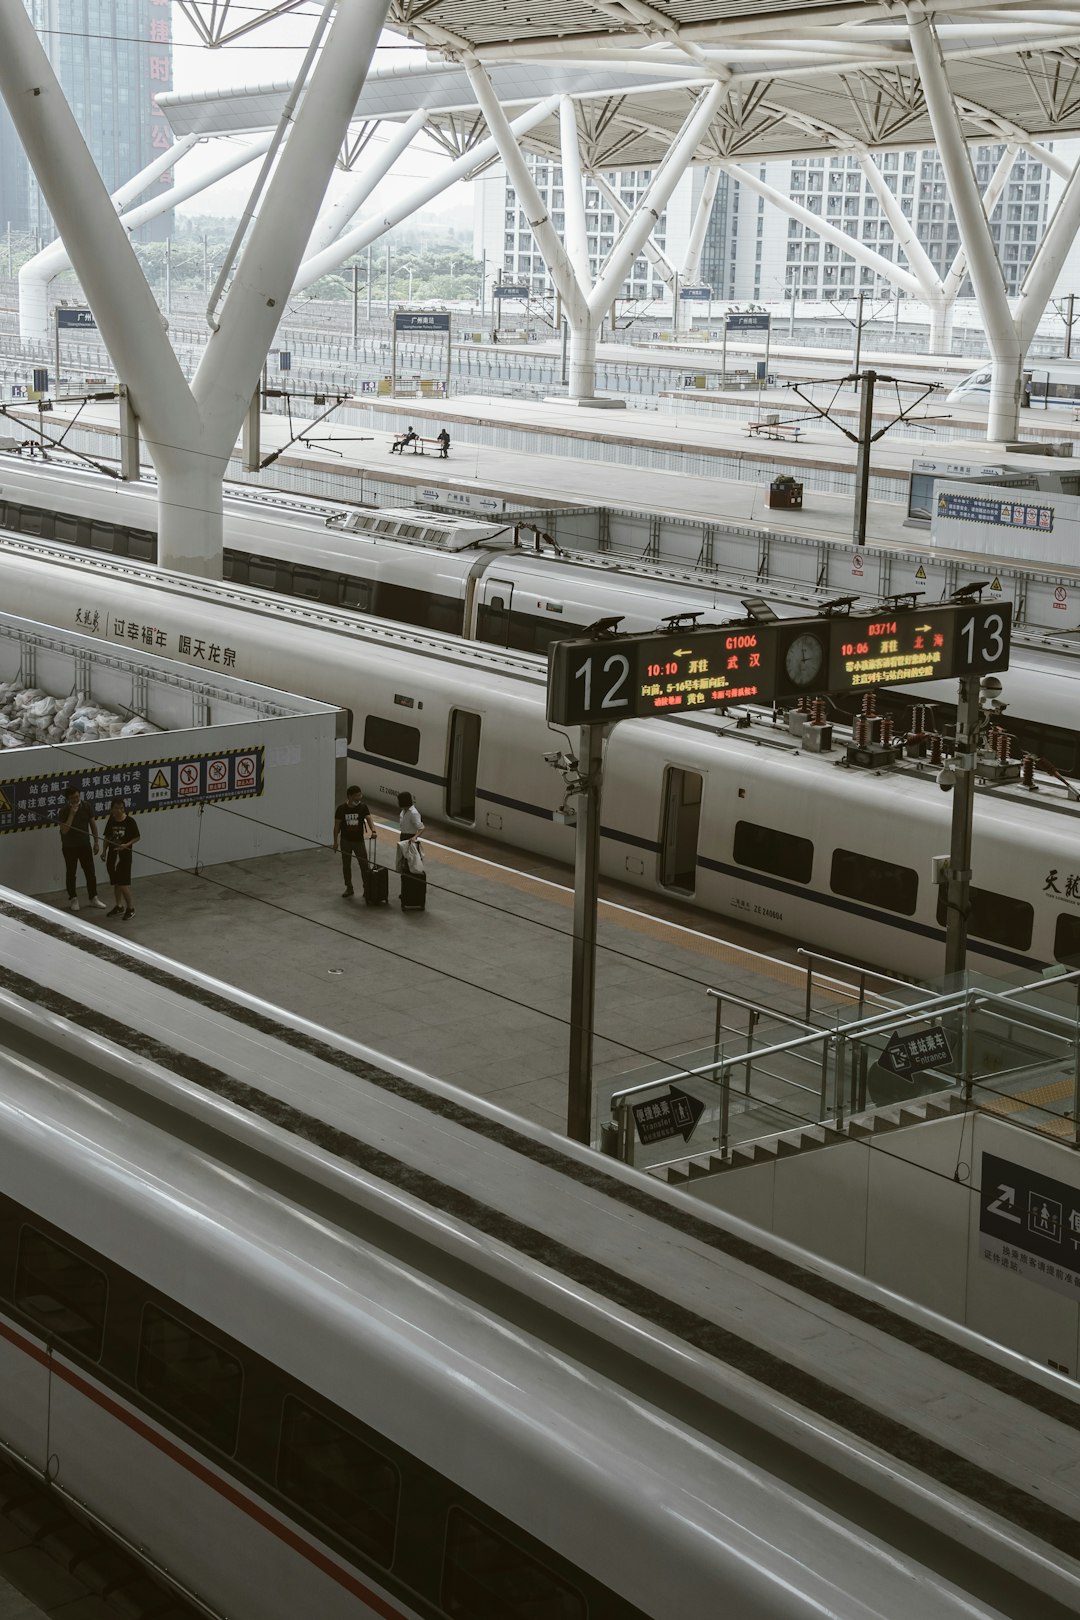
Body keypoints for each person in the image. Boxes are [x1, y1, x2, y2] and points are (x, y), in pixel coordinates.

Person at [58, 785, 105, 912]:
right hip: (69, 847)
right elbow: (65, 830)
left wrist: (96, 842)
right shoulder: (63, 811)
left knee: (90, 872)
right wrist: (72, 814)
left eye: (77, 796)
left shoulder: (87, 806)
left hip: (84, 845)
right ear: (67, 799)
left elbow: (93, 824)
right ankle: (73, 898)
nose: (76, 799)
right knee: (71, 873)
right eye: (72, 798)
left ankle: (93, 897)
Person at [333, 784, 376, 898]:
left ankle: (367, 888)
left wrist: (373, 830)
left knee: (364, 865)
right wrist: (335, 842)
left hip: (359, 842)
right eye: (356, 795)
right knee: (346, 865)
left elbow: (369, 818)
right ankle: (349, 887)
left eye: (360, 795)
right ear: (350, 796)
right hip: (345, 841)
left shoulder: (363, 807)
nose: (359, 797)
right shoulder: (341, 809)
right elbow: (337, 826)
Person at [101, 797, 140, 920]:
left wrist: (126, 845)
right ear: (112, 809)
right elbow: (107, 837)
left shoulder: (130, 821)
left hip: (124, 856)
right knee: (116, 883)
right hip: (112, 855)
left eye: (121, 808)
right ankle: (119, 906)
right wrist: (104, 851)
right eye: (116, 808)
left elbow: (137, 837)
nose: (119, 810)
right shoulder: (111, 821)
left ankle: (131, 908)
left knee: (123, 884)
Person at [396, 791, 424, 865]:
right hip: (403, 836)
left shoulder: (413, 813)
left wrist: (414, 837)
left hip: (410, 838)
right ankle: (404, 875)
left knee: (410, 861)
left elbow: (421, 828)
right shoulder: (403, 812)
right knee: (403, 860)